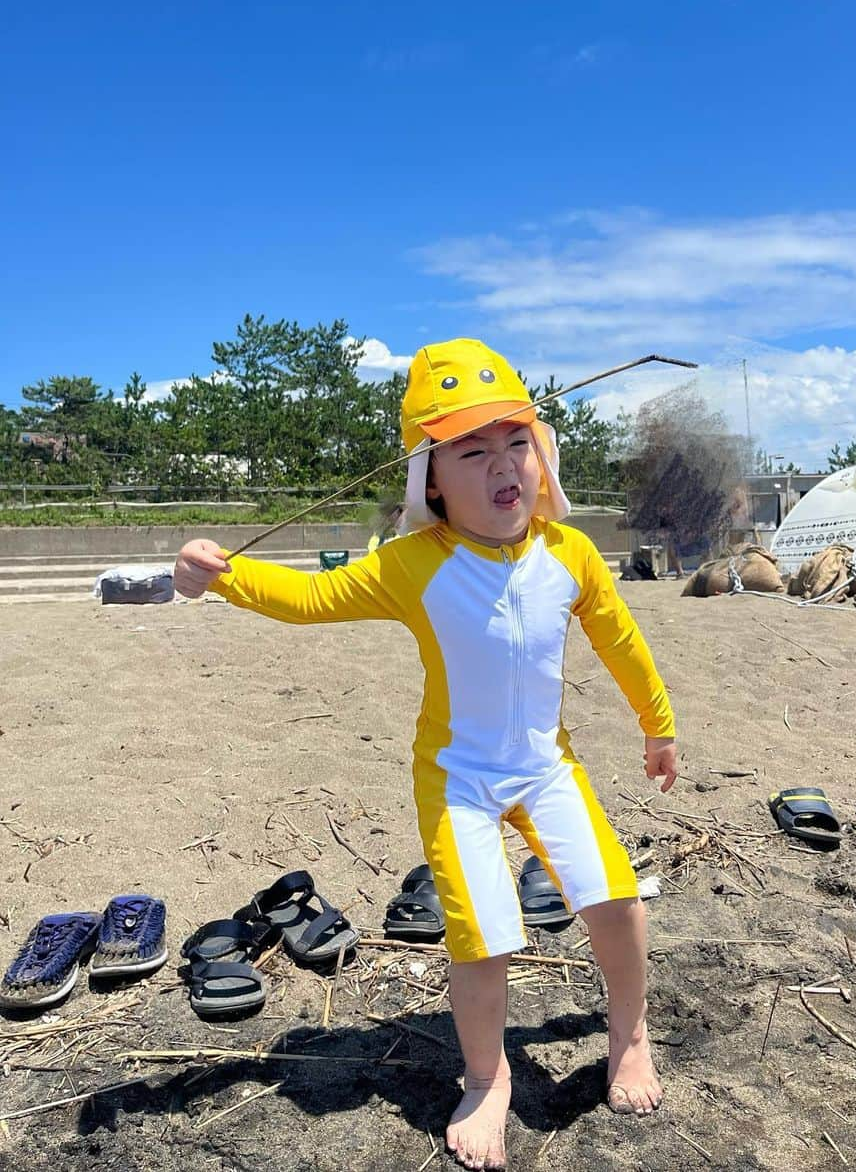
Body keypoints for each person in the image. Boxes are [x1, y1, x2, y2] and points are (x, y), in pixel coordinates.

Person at [174, 338, 677, 1171]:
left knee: (616, 899)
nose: (501, 465)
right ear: (431, 479)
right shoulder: (415, 565)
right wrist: (221, 574)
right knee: (481, 936)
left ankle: (629, 1034)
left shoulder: (572, 554)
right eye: (470, 452)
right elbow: (310, 597)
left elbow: (620, 638)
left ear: (542, 455)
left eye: (516, 441)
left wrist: (656, 723)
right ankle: (487, 1079)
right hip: (459, 779)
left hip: (548, 765)